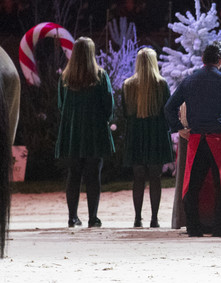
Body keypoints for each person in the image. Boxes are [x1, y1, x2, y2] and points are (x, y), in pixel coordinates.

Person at [164, 43, 221, 237]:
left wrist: (179, 128)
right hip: (218, 139)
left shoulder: (189, 80)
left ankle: (193, 228)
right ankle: (220, 229)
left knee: (192, 186)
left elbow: (169, 107)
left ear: (203, 59)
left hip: (196, 139)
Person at [55, 37, 115, 229]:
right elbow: (108, 105)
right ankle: (93, 217)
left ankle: (72, 217)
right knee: (93, 176)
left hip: (73, 133)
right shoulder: (100, 76)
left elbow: (61, 105)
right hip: (94, 132)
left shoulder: (65, 78)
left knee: (73, 175)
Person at [122, 48, 174, 228]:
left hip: (136, 134)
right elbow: (167, 111)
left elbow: (125, 112)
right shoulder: (161, 84)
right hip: (156, 134)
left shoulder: (128, 85)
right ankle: (154, 218)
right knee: (155, 178)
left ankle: (137, 218)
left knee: (138, 178)